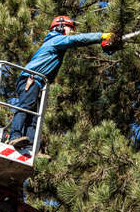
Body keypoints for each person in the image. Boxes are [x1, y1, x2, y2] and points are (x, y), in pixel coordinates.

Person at [9, 15, 118, 149]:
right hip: (31, 79)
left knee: (33, 117)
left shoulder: (55, 41)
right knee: (25, 107)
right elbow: (77, 39)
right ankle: (14, 136)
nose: (71, 32)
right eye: (69, 28)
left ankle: (28, 147)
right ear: (60, 27)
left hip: (37, 82)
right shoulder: (55, 39)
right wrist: (101, 36)